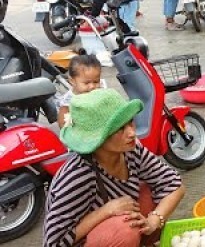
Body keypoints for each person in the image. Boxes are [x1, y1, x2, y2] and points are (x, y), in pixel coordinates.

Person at [43, 88, 185, 247]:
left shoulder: (132, 150)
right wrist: (104, 212)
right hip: (87, 240)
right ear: (97, 139)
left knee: (150, 193)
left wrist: (154, 220)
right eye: (120, 128)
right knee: (124, 229)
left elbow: (173, 184)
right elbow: (53, 242)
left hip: (113, 230)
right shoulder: (78, 176)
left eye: (130, 122)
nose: (131, 133)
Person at [56, 50, 102, 127]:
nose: (92, 86)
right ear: (72, 81)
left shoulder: (100, 91)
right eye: (86, 83)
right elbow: (64, 126)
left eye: (96, 81)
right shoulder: (67, 104)